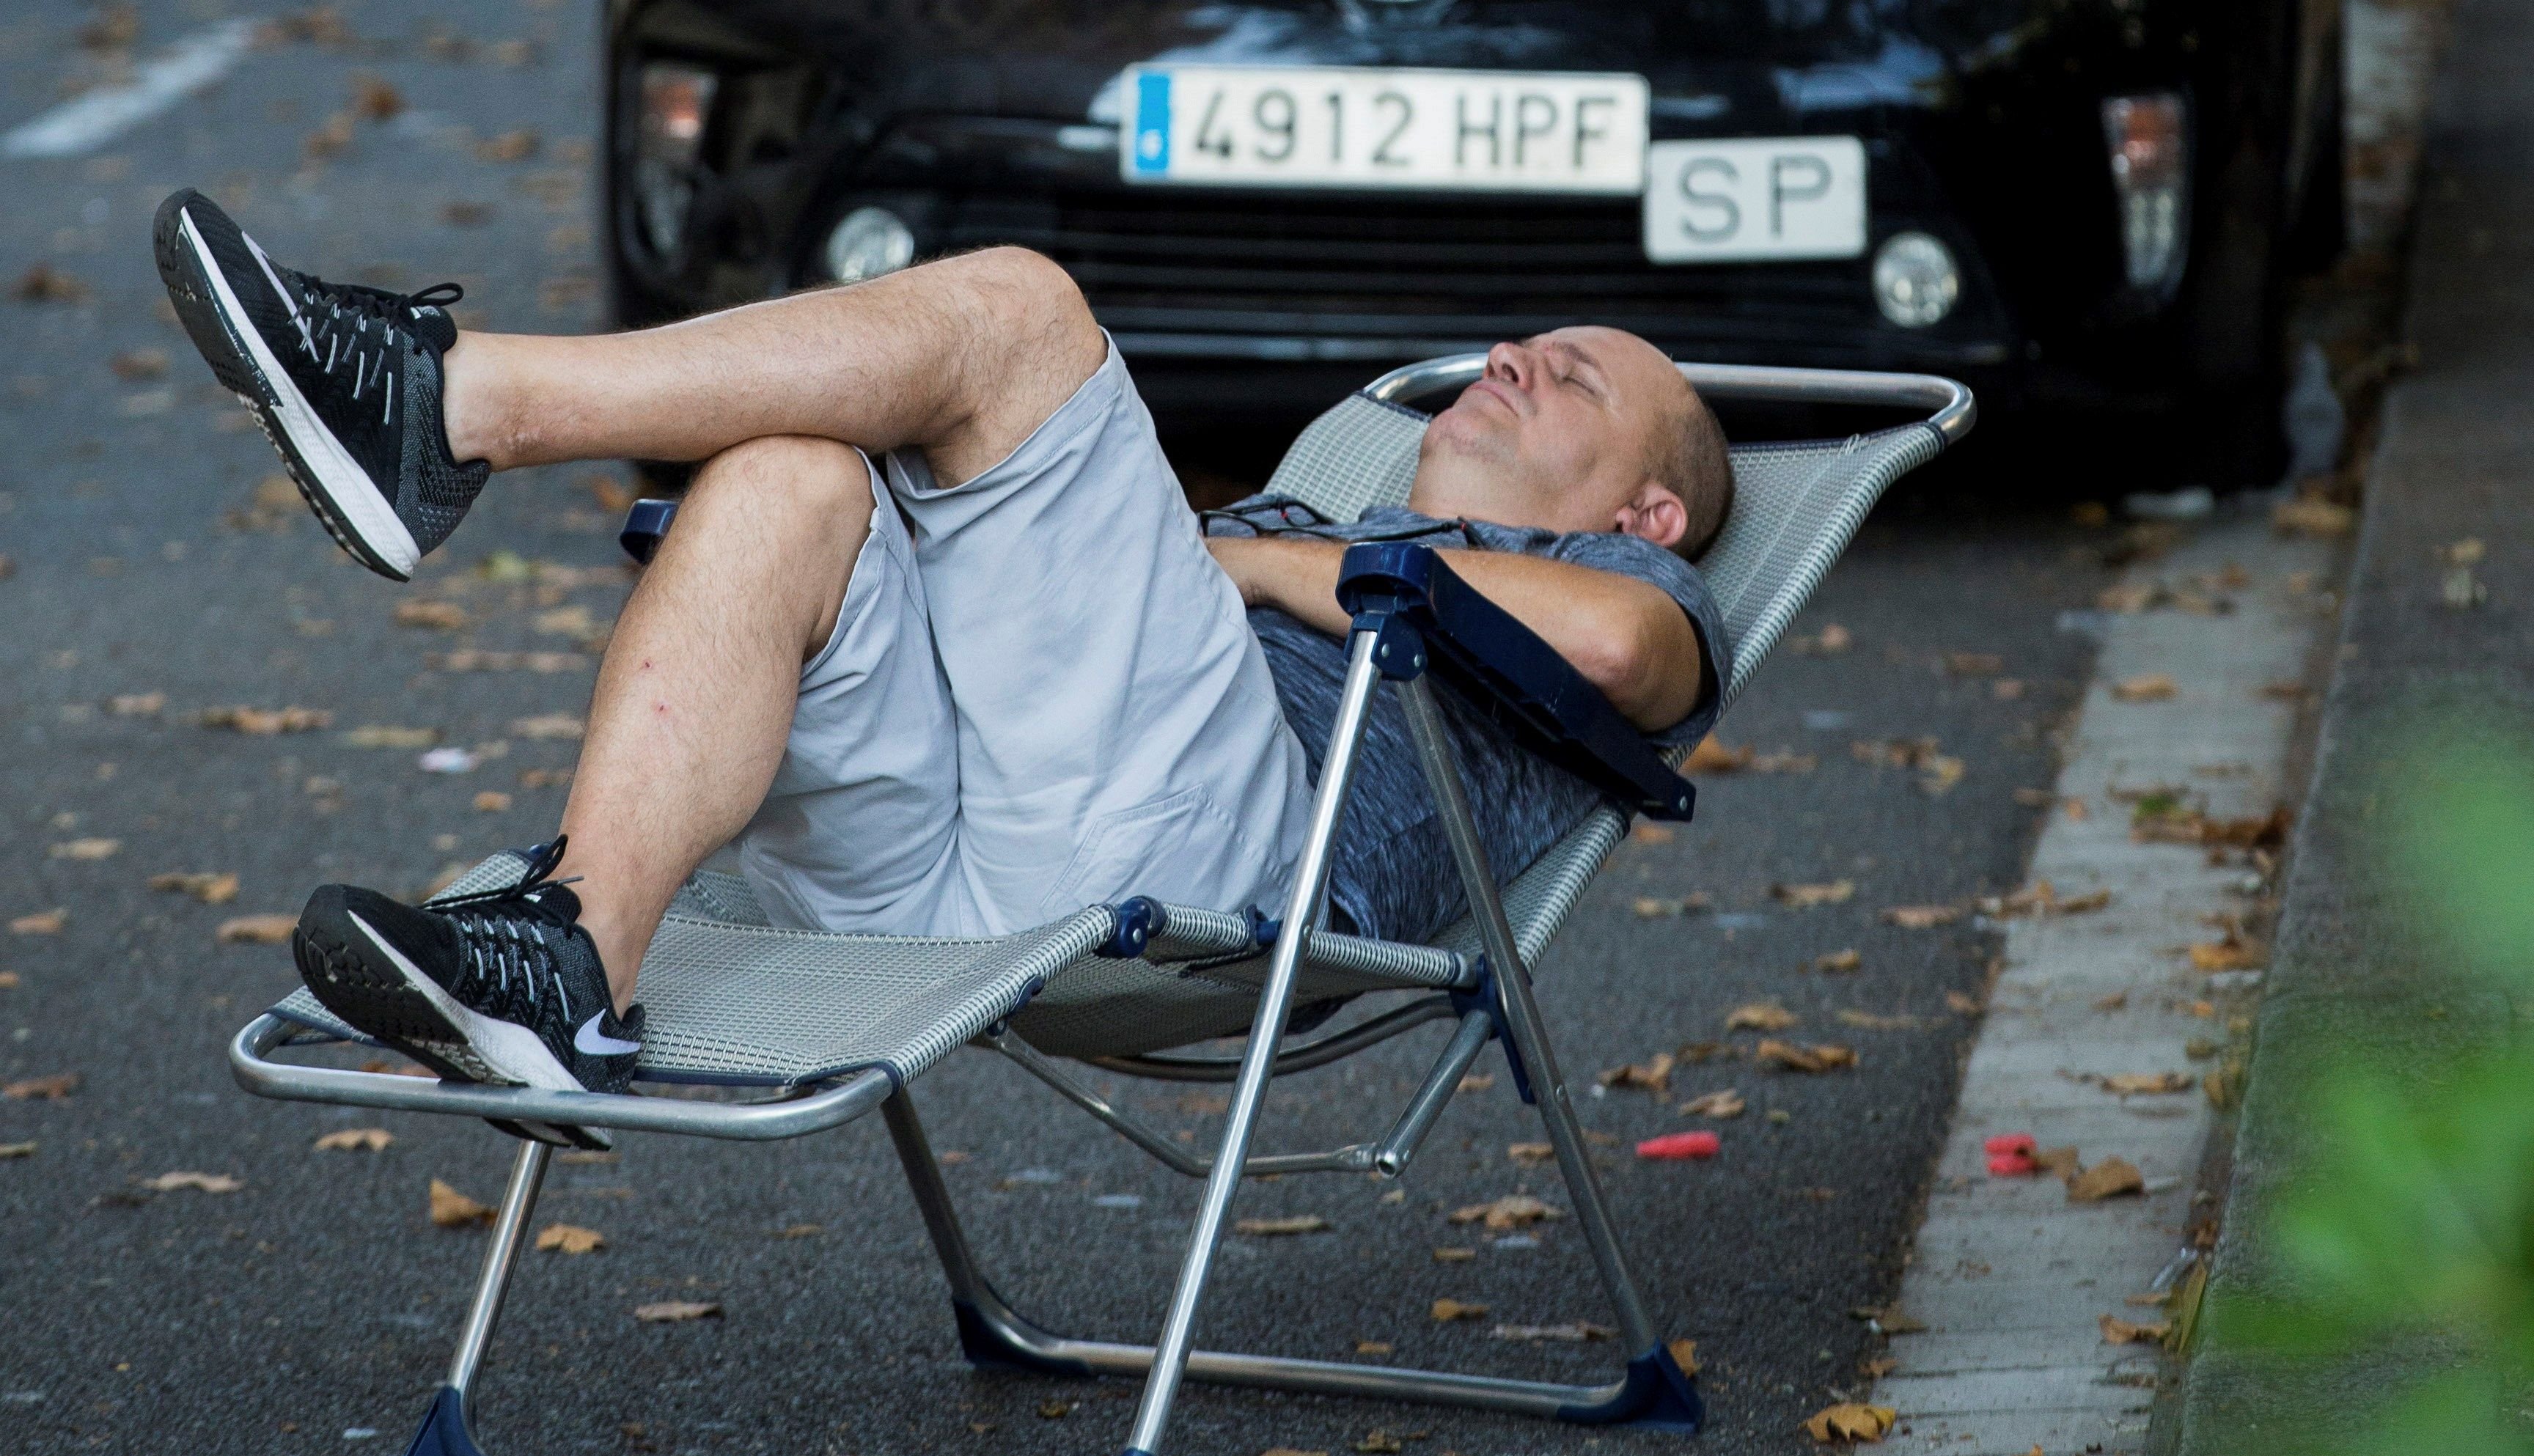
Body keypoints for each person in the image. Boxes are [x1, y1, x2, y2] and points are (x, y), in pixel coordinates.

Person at [152, 191, 1733, 1097]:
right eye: (1529, 344)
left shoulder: (1625, 583)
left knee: (1021, 312)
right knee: (788, 478)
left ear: (1651, 506)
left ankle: (452, 402)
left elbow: (1610, 654)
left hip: (1219, 865)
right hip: (960, 858)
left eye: (1575, 374)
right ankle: (576, 954)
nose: (1521, 352)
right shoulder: (1286, 525)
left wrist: (1259, 559)